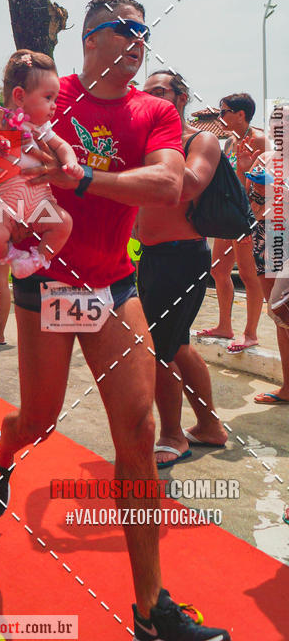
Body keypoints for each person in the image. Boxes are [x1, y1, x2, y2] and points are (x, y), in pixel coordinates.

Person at [0, 0, 231, 641]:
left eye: (145, 30)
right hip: (51, 285)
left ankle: (150, 608)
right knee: (38, 418)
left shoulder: (155, 112)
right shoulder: (50, 92)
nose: (139, 39)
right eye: (125, 28)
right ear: (91, 39)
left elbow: (167, 186)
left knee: (138, 432)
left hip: (115, 286)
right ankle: (4, 451)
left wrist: (81, 179)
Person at [136, 70, 228, 467]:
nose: (152, 100)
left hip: (183, 256)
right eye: (146, 94)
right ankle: (210, 427)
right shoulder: (147, 142)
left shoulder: (199, 140)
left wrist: (159, 155)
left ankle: (174, 436)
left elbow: (188, 186)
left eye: (160, 92)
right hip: (152, 256)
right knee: (180, 346)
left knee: (159, 350)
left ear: (181, 96)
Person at [0, 49, 83, 278]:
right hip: (3, 202)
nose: (54, 106)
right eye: (48, 98)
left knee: (63, 224)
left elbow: (62, 147)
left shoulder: (42, 129)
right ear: (20, 96)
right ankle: (11, 256)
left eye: (56, 99)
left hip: (39, 202)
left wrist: (71, 163)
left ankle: (38, 259)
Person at [197, 93, 265, 352]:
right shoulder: (229, 143)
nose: (220, 117)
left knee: (249, 276)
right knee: (218, 270)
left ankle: (251, 333)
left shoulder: (259, 140)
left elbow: (268, 186)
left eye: (223, 111)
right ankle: (225, 325)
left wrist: (252, 223)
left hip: (249, 219)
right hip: (230, 216)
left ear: (241, 114)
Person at [244, 104, 289, 404]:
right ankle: (288, 386)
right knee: (278, 314)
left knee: (282, 308)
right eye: (275, 124)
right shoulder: (264, 159)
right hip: (268, 234)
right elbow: (252, 198)